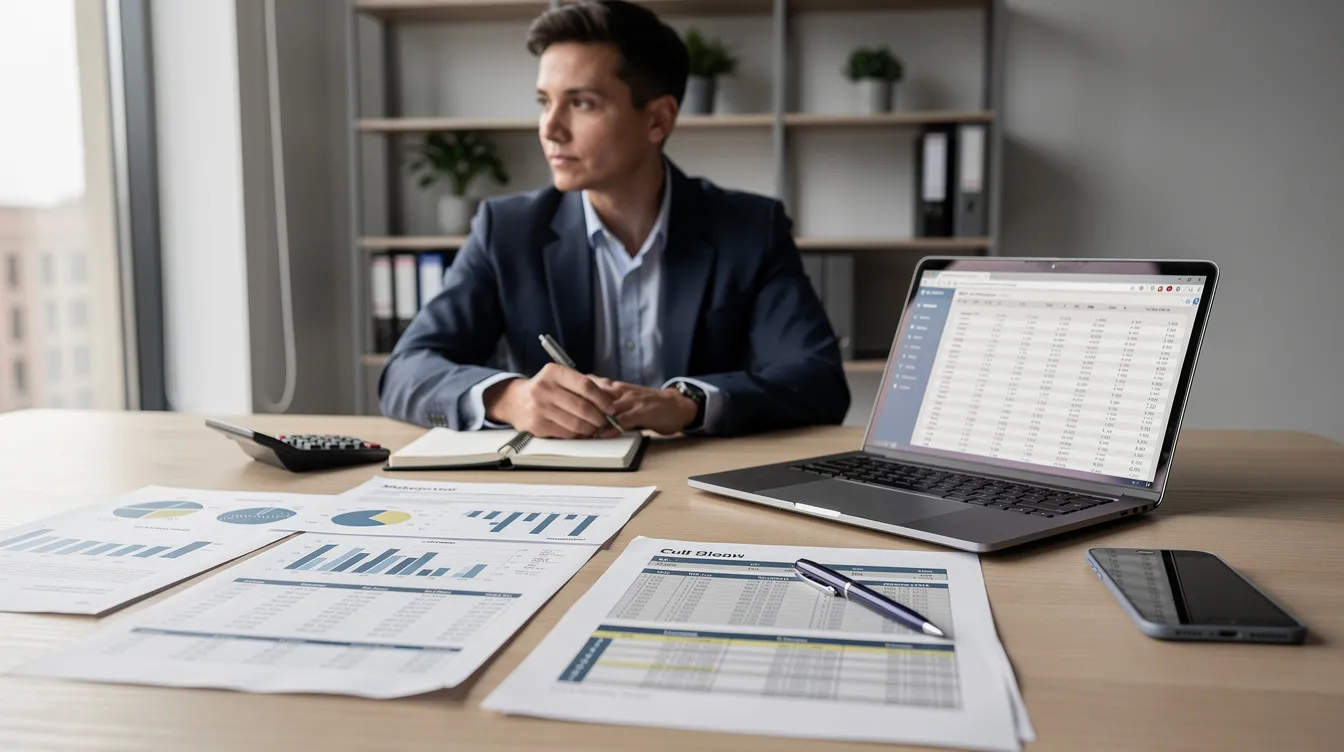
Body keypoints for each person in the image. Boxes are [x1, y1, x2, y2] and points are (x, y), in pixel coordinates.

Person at [379, 0, 849, 438]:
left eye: (581, 103)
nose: (550, 128)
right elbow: (406, 371)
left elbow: (819, 381)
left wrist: (688, 404)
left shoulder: (749, 228)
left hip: (697, 484)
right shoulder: (507, 229)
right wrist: (511, 397)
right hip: (560, 487)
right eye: (545, 101)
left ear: (658, 120)